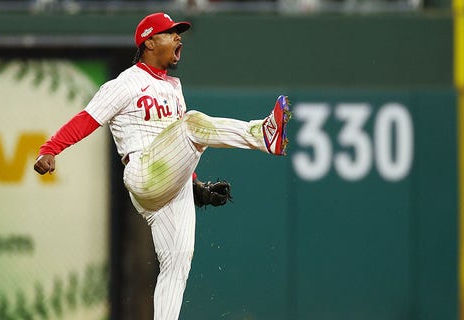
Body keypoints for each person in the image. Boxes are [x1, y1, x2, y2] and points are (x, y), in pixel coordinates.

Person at [33, 12, 291, 320]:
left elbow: (179, 146)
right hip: (142, 170)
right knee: (192, 123)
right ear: (150, 42)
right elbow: (88, 118)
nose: (178, 37)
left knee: (176, 266)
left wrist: (194, 185)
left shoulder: (172, 88)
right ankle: (262, 134)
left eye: (178, 32)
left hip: (171, 184)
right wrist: (50, 148)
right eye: (170, 33)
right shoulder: (127, 83)